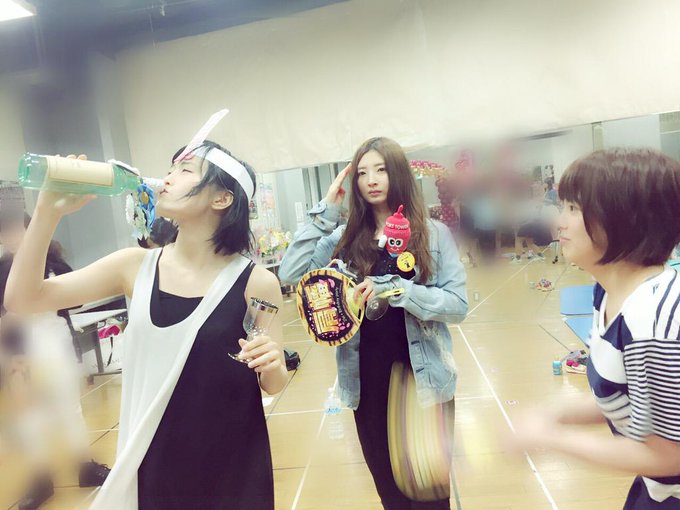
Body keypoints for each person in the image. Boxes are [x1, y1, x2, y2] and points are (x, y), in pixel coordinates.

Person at [5, 143, 288, 510]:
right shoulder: (134, 266)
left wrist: (272, 362)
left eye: (186, 170)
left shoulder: (256, 282)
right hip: (156, 460)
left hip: (234, 464)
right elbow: (22, 299)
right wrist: (47, 212)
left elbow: (273, 382)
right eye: (171, 168)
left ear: (222, 198)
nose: (168, 178)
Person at [279, 137, 468, 509]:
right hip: (366, 384)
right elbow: (291, 272)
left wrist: (397, 289)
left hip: (424, 382)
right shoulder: (344, 238)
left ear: (397, 173)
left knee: (430, 496)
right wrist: (326, 210)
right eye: (362, 173)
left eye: (380, 169)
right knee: (390, 494)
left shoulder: (432, 235)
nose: (371, 180)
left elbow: (457, 305)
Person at [512, 148, 680, 509]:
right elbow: (626, 395)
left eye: (574, 208)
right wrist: (556, 414)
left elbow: (669, 457)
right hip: (654, 490)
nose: (559, 221)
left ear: (626, 218)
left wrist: (553, 438)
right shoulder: (606, 293)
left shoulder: (651, 325)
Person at [0, 213, 110, 510]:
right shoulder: (2, 270)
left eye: (15, 230)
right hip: (20, 354)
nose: (9, 237)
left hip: (56, 345)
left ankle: (85, 467)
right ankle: (41, 480)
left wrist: (46, 293)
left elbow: (78, 298)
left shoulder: (54, 264)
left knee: (70, 409)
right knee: (29, 418)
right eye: (4, 232)